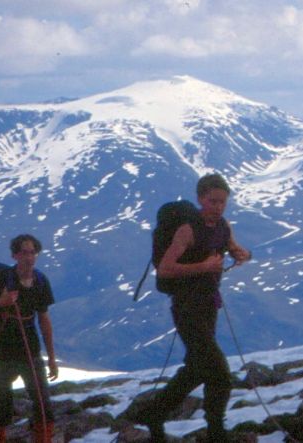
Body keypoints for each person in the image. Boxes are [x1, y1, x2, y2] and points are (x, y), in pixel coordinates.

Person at [129, 173, 251, 442]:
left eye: (222, 202)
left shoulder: (223, 226)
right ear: (200, 199)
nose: (218, 207)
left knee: (197, 367)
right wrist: (203, 267)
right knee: (219, 372)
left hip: (208, 305)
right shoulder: (187, 229)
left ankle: (154, 413)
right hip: (186, 307)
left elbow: (234, 248)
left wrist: (243, 254)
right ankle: (217, 431)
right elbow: (165, 269)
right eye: (212, 201)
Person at [0, 234, 59, 443]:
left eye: (32, 252)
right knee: (3, 409)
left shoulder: (40, 281)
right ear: (15, 255)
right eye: (24, 252)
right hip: (1, 349)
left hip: (30, 347)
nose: (29, 257)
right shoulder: (1, 279)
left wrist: (52, 358)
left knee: (43, 405)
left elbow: (44, 320)